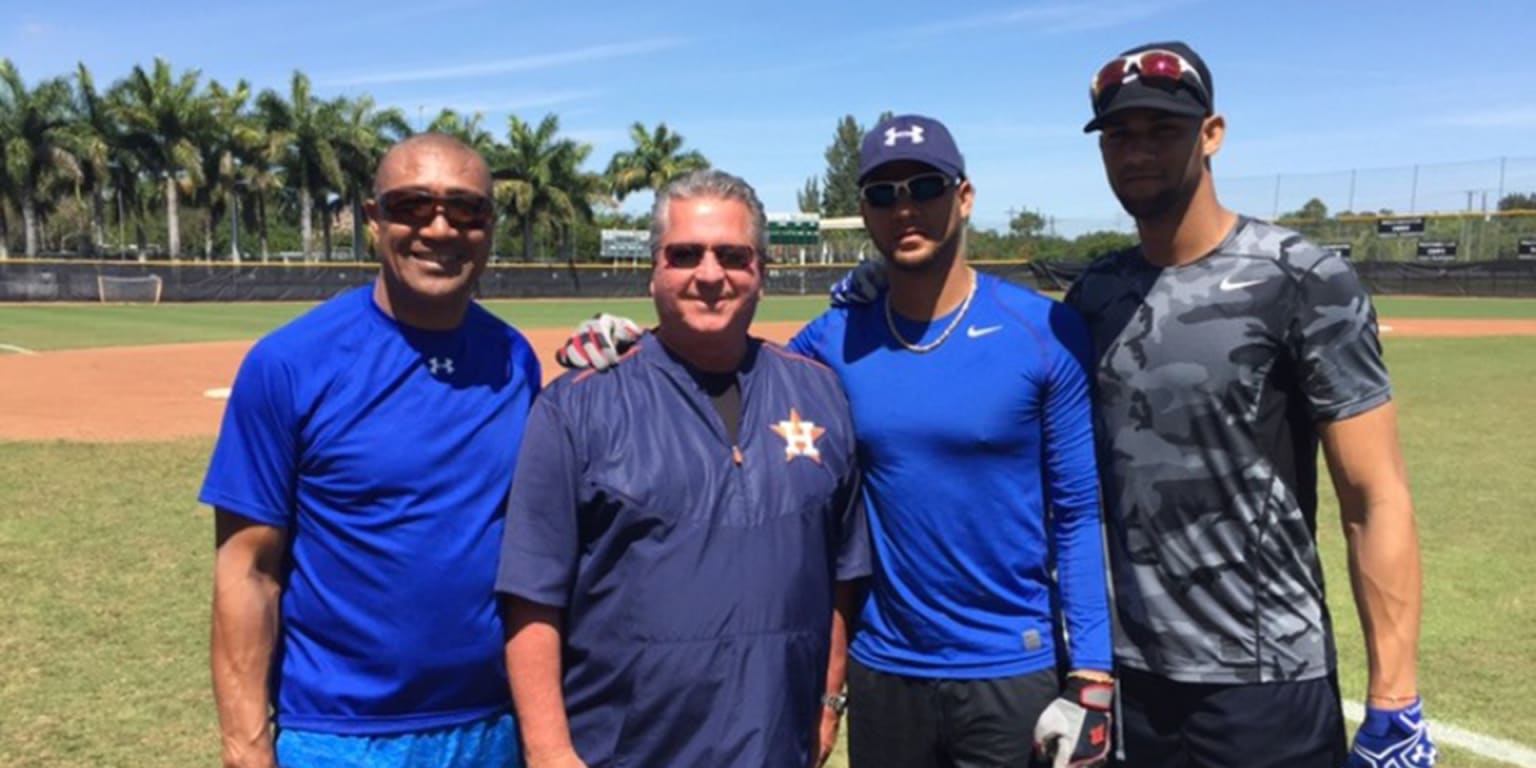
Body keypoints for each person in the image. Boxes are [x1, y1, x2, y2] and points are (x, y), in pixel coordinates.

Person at [555, 117, 1117, 768]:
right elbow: (730, 367)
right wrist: (633, 340)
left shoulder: (1043, 331)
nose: (905, 207)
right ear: (864, 212)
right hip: (883, 671)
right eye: (883, 194)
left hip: (1011, 663)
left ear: (964, 197)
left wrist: (1094, 675)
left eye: (925, 186)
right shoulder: (835, 337)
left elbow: (1078, 512)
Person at [1065, 42, 1437, 767]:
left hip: (1265, 683)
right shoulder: (1095, 295)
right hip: (1131, 683)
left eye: (1163, 130)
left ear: (1212, 134)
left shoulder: (1300, 278)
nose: (1137, 152)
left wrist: (1395, 695)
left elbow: (1375, 497)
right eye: (1119, 136)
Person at [496, 169, 870, 768]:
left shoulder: (820, 392)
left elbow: (842, 572)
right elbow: (531, 596)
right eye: (685, 254)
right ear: (654, 271)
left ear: (762, 273)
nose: (710, 274)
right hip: (621, 749)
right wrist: (548, 751)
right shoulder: (577, 404)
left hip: (775, 746)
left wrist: (827, 700)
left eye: (733, 255)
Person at [203, 133, 540, 768]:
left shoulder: (513, 358)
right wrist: (245, 748)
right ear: (373, 219)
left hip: (494, 727)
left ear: (489, 227)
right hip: (341, 736)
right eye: (413, 205)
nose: (440, 229)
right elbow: (248, 570)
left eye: (466, 210)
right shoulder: (290, 364)